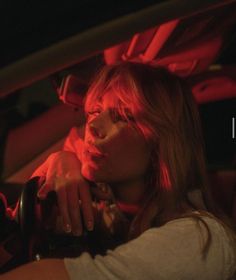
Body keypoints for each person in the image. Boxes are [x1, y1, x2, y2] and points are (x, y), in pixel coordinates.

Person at [0, 63, 236, 280]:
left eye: (123, 116)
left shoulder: (199, 238)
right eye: (95, 110)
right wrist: (63, 159)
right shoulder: (115, 215)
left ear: (162, 142)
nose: (92, 126)